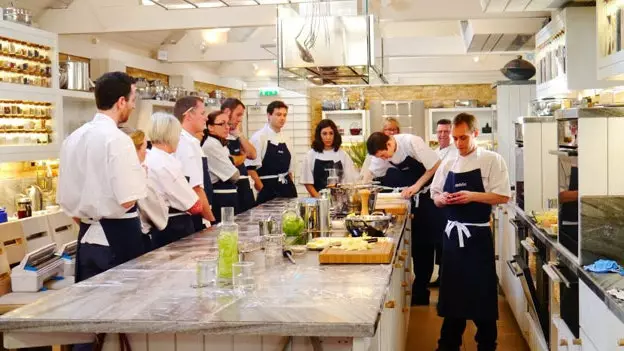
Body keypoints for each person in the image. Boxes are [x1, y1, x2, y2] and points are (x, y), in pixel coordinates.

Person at [430, 113, 511, 351]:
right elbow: (434, 195)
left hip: (477, 237)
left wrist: (472, 196)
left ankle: (486, 345)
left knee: (481, 293)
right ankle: (448, 345)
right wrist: (442, 199)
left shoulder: (492, 160)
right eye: (455, 138)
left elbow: (503, 195)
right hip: (452, 238)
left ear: (476, 133)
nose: (458, 143)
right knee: (453, 292)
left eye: (463, 138)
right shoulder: (448, 163)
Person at [57, 71, 146, 284]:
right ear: (121, 101)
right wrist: (142, 171)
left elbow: (66, 200)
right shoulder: (118, 140)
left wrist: (92, 217)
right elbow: (127, 199)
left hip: (86, 238)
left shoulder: (72, 139)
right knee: (124, 307)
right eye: (133, 100)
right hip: (119, 237)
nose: (134, 107)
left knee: (90, 308)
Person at [366, 131, 442, 306]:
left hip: (427, 195)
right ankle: (416, 291)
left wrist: (416, 186)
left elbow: (436, 165)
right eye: (380, 157)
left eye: (385, 155)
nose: (384, 160)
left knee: (425, 246)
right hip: (409, 198)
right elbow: (370, 175)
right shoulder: (380, 152)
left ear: (390, 143)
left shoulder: (412, 142)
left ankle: (422, 292)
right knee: (415, 246)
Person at [145, 113, 203, 249]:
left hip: (154, 226)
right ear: (170, 135)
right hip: (175, 227)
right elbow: (194, 206)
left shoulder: (147, 157)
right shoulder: (167, 164)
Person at [173, 96, 215, 232]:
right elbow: (196, 188)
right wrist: (211, 220)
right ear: (189, 115)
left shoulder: (190, 141)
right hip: (191, 216)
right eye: (202, 113)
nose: (206, 118)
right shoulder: (185, 144)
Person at [123, 128, 168, 252]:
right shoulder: (139, 175)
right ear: (136, 149)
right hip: (136, 237)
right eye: (144, 146)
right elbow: (159, 216)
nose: (146, 152)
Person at [246, 100, 297, 204]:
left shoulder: (287, 138)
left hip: (287, 189)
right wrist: (263, 191)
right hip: (268, 191)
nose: (282, 118)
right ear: (268, 115)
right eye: (278, 114)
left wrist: (290, 186)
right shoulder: (259, 137)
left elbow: (290, 171)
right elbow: (250, 169)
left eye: (284, 115)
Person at [430, 118, 458, 287]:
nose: (442, 135)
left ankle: (445, 277)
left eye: (446, 132)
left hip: (449, 201)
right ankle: (441, 276)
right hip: (436, 200)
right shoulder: (434, 152)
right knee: (438, 241)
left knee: (445, 241)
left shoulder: (455, 152)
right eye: (439, 131)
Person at [300, 119, 358, 197]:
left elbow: (349, 180)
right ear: (319, 135)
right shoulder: (310, 155)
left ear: (335, 135)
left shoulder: (343, 155)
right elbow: (307, 183)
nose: (328, 137)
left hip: (340, 200)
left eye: (331, 133)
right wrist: (320, 199)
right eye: (324, 133)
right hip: (318, 201)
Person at [202, 110, 240, 223]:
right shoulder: (211, 146)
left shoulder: (220, 143)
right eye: (221, 124)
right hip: (221, 198)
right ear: (210, 127)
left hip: (229, 196)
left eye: (228, 123)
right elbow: (234, 175)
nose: (227, 127)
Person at [222, 98, 256, 213]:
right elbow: (231, 161)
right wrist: (243, 156)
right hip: (230, 190)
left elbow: (252, 154)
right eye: (238, 115)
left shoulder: (235, 134)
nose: (240, 119)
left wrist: (239, 134)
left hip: (245, 187)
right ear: (227, 112)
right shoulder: (217, 137)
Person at [360, 117, 401, 181]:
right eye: (389, 129)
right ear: (383, 130)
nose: (392, 132)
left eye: (395, 129)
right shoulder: (377, 149)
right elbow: (370, 172)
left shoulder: (401, 145)